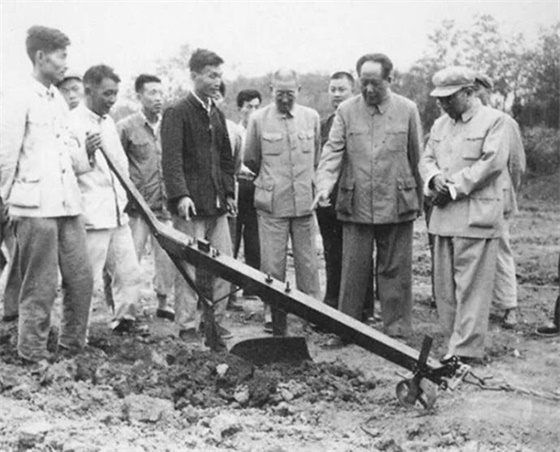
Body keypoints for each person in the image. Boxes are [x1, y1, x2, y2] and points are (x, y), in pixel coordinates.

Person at [314, 53, 423, 344]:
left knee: (395, 270)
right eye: (364, 83)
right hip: (356, 201)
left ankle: (397, 331)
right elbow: (332, 151)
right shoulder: (346, 110)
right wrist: (324, 185)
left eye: (376, 83)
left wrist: (421, 198)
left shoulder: (407, 109)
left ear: (390, 79)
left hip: (397, 200)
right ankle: (347, 329)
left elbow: (418, 156)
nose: (369, 89)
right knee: (352, 271)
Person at [0, 26, 93, 362]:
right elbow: (5, 155)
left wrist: (87, 153)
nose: (65, 63)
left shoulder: (58, 101)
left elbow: (67, 152)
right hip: (34, 207)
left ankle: (73, 347)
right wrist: (8, 201)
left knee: (81, 279)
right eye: (61, 56)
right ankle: (32, 352)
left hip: (68, 204)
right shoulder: (18, 96)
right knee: (40, 284)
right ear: (41, 57)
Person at [419, 66, 510, 363]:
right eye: (440, 99)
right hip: (443, 217)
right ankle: (453, 344)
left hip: (476, 217)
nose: (442, 104)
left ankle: (466, 351)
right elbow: (427, 158)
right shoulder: (440, 125)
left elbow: (492, 164)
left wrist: (454, 187)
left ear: (469, 93)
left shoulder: (495, 121)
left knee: (472, 289)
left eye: (449, 98)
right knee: (445, 289)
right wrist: (433, 178)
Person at [162, 49, 236, 341]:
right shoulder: (177, 112)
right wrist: (181, 195)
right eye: (211, 75)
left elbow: (226, 159)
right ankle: (187, 326)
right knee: (188, 268)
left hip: (217, 205)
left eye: (219, 75)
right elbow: (171, 160)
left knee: (225, 265)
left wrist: (229, 193)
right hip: (190, 207)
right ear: (194, 76)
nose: (217, 81)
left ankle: (213, 323)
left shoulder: (216, 113)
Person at [244, 68, 321, 336]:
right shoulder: (258, 119)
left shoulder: (311, 117)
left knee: (308, 264)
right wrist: (271, 179)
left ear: (299, 90)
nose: (285, 98)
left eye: (290, 93)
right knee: (272, 265)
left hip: (304, 202)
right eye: (280, 93)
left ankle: (312, 314)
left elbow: (316, 157)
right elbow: (250, 158)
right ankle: (273, 314)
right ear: (271, 90)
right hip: (272, 203)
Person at [71, 64, 146, 335]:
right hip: (92, 215)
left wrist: (125, 199)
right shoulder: (72, 122)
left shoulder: (109, 123)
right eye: (107, 94)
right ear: (89, 90)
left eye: (115, 93)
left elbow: (120, 165)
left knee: (129, 273)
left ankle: (125, 322)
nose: (112, 100)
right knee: (86, 279)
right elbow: (67, 166)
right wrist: (87, 153)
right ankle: (77, 332)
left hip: (117, 213)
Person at [316, 71, 375, 321]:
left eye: (342, 90)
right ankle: (332, 306)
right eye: (333, 89)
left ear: (353, 92)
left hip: (355, 199)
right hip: (328, 200)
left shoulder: (364, 121)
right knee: (332, 254)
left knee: (359, 256)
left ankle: (364, 309)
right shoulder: (324, 124)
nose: (337, 94)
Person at [117, 74, 176, 321]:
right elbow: (118, 167)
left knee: (167, 259)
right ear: (139, 96)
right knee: (131, 259)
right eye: (152, 93)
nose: (158, 98)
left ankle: (164, 302)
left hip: (165, 205)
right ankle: (125, 311)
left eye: (160, 93)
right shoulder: (125, 127)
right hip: (138, 207)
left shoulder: (170, 127)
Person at [474, 73, 526, 328]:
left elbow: (517, 164)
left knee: (500, 249)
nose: (474, 95)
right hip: (469, 197)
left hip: (498, 195)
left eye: (478, 89)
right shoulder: (460, 123)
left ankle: (508, 306)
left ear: (488, 91)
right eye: (469, 90)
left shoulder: (505, 122)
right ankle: (478, 306)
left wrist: (508, 191)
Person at [233, 89, 262, 298]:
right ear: (240, 109)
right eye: (249, 106)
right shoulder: (233, 131)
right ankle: (228, 288)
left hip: (255, 188)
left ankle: (251, 287)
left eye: (256, 107)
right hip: (236, 187)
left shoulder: (262, 132)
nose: (252, 111)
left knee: (254, 239)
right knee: (232, 238)